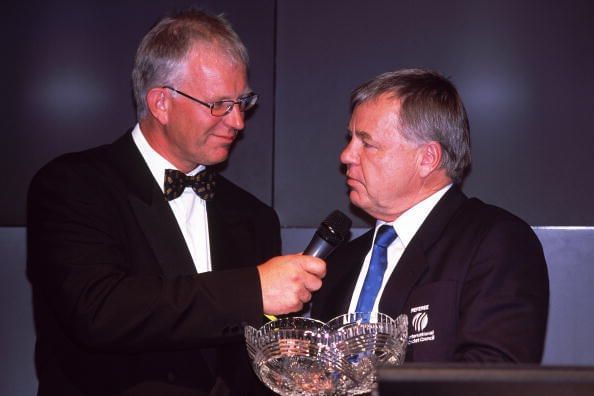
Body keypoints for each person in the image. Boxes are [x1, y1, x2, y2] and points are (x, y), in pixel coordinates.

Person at [26, 8, 324, 396]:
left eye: (243, 102)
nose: (237, 122)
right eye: (219, 104)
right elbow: (100, 311)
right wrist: (252, 291)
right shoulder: (73, 185)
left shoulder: (254, 217)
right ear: (161, 103)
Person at [311, 68, 549, 363]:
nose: (346, 155)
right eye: (350, 140)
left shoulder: (496, 242)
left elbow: (494, 379)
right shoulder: (338, 264)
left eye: (366, 143)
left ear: (427, 158)